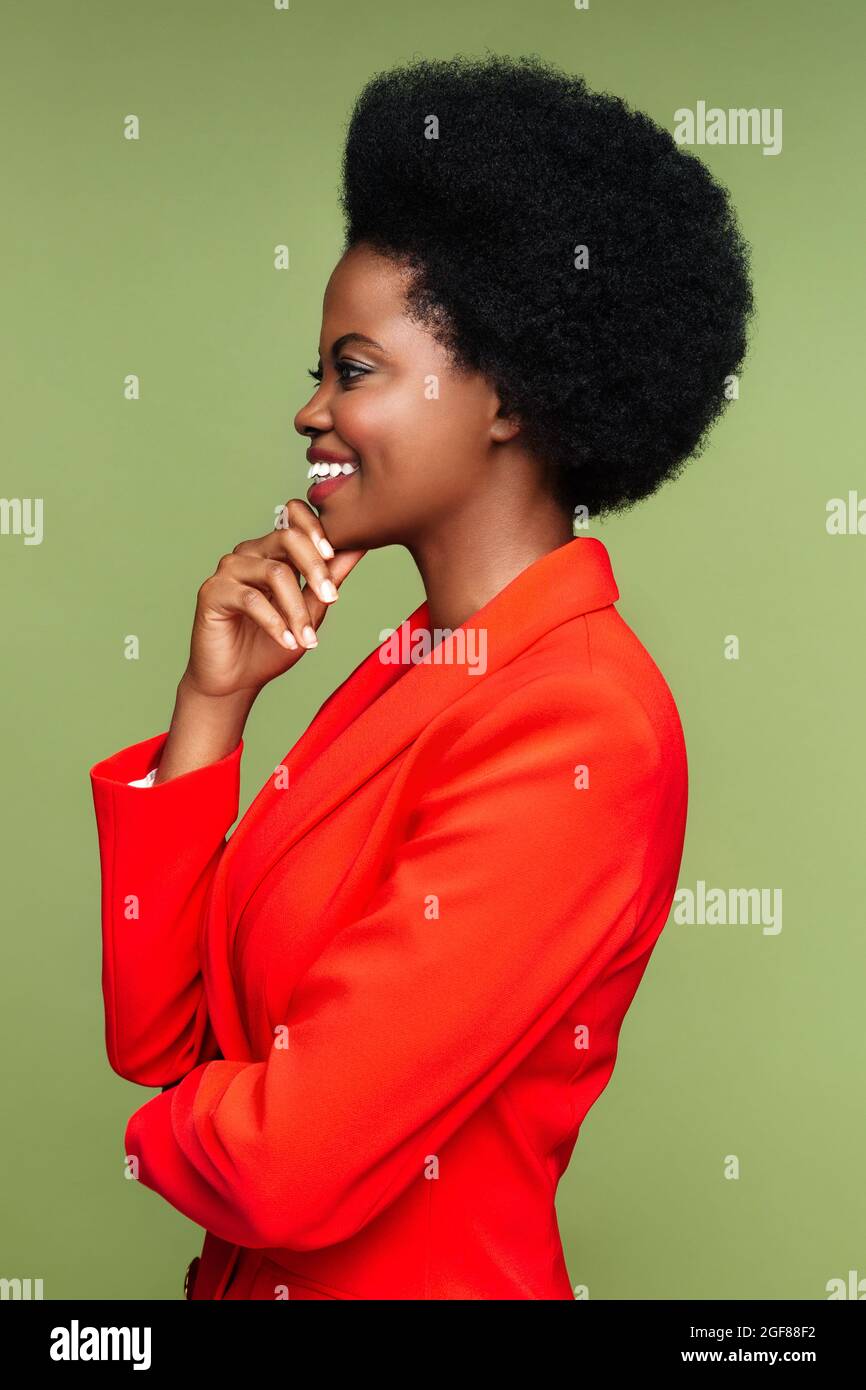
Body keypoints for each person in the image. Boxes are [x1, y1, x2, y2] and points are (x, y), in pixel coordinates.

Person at [89, 54, 753, 1300]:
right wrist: (212, 707)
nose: (309, 414)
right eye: (316, 373)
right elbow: (159, 1039)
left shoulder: (581, 722)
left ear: (500, 394)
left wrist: (169, 1131)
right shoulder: (408, 668)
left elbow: (284, 1168)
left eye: (353, 370)